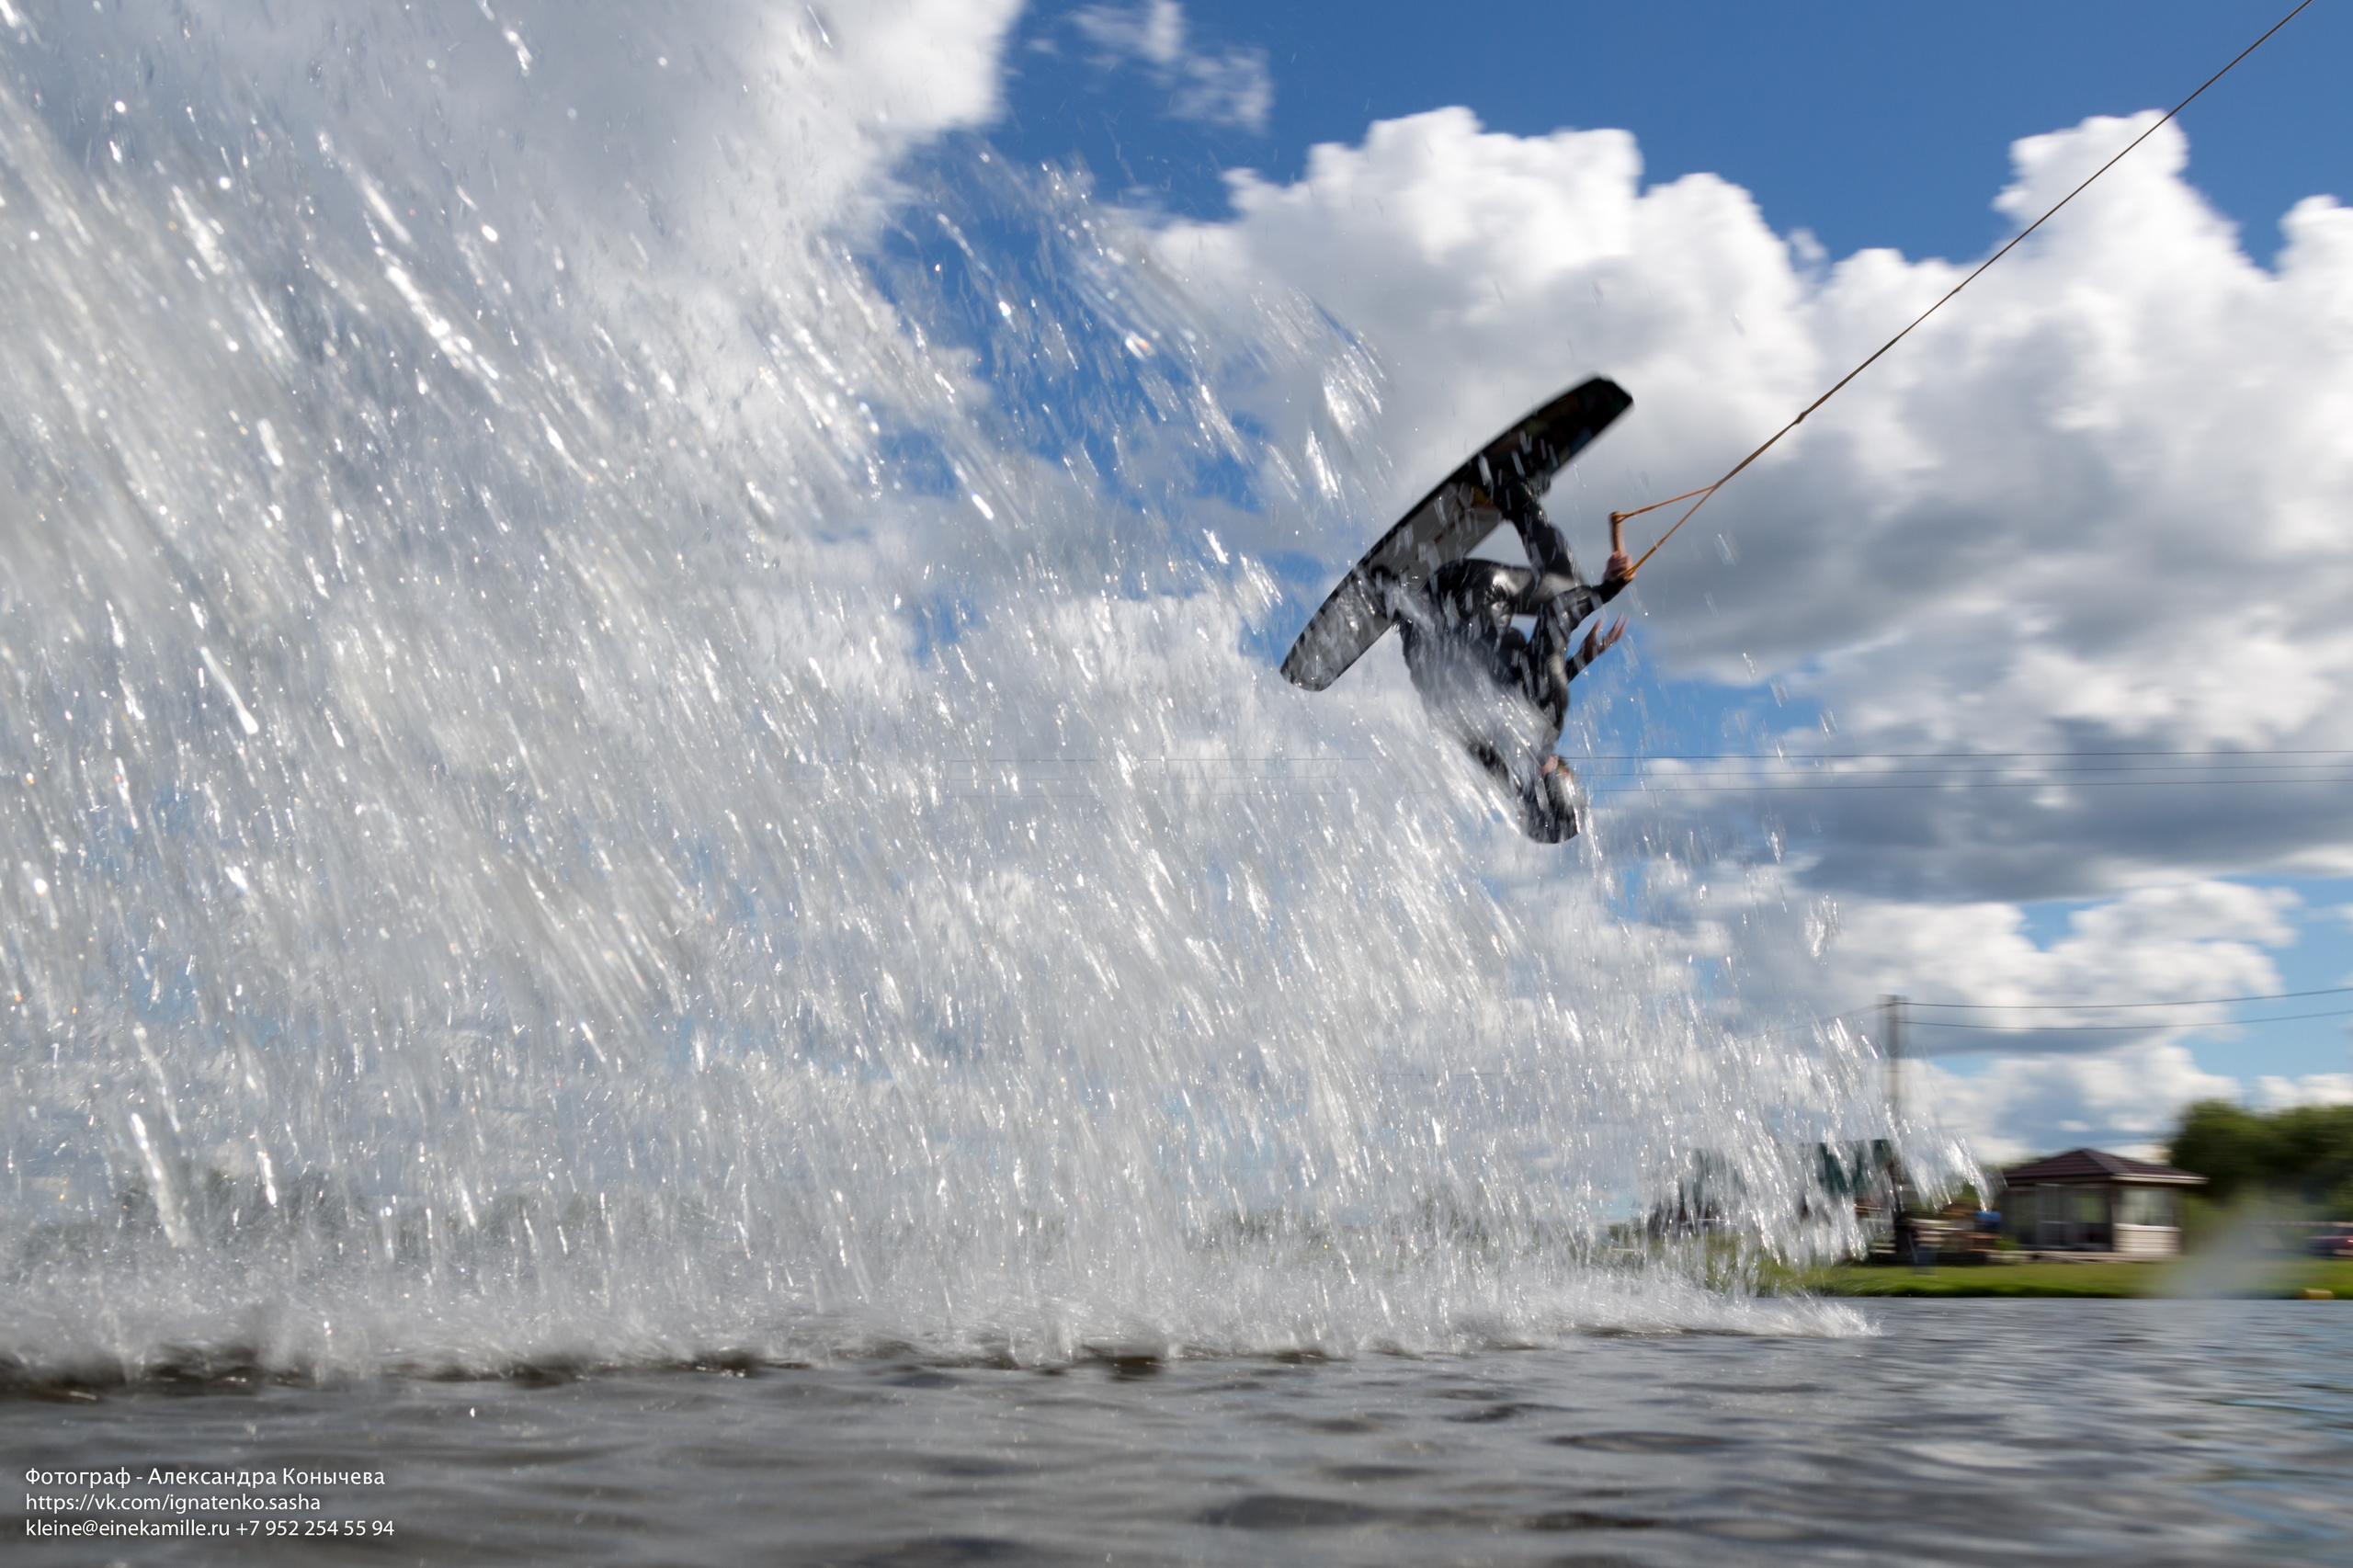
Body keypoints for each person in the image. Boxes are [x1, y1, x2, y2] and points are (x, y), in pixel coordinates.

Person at [1385, 469, 1632, 841]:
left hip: (1468, 588)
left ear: (1564, 780)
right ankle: (1397, 602)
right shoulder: (1494, 766)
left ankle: (1513, 491)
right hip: (1423, 624)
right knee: (1448, 678)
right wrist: (1577, 662)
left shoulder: (1546, 717)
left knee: (1570, 584)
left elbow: (1556, 615)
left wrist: (1606, 591)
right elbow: (1510, 692)